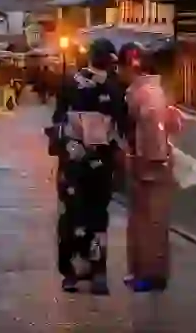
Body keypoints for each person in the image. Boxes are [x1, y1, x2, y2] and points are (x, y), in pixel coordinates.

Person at [49, 37, 129, 295]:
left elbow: (58, 121)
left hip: (78, 161)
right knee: (93, 218)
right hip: (93, 162)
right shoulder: (111, 88)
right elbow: (122, 128)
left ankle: (76, 272)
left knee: (78, 217)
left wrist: (68, 145)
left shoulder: (75, 84)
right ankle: (93, 271)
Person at [117, 41, 184, 293]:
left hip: (151, 168)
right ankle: (143, 272)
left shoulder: (148, 94)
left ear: (130, 67)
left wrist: (150, 160)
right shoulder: (145, 91)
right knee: (145, 221)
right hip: (144, 163)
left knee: (151, 222)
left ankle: (150, 275)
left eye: (121, 68)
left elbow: (155, 130)